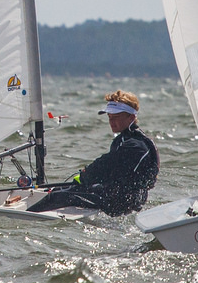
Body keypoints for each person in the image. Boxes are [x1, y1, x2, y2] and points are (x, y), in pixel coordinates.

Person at [27, 90, 161, 215]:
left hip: (122, 202)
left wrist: (84, 177)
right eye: (109, 117)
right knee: (60, 191)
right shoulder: (124, 139)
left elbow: (106, 166)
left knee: (57, 196)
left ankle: (28, 217)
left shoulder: (137, 146)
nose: (111, 122)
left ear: (131, 117)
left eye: (116, 117)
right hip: (114, 194)